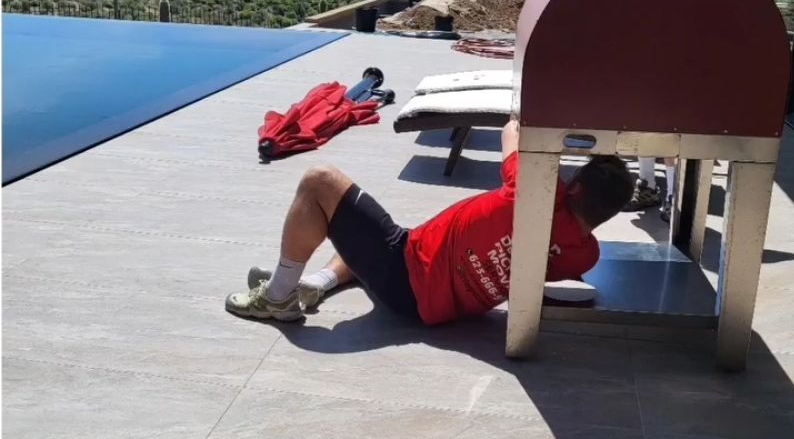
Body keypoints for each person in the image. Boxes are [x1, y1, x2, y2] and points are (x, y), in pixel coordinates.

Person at [225, 120, 634, 324]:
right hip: (440, 303)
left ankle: (277, 297)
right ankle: (315, 285)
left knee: (321, 184)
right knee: (367, 233)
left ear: (574, 190)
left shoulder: (535, 195)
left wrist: (533, 118)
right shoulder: (585, 254)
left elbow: (513, 131)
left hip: (408, 273)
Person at [624, 0, 760, 221]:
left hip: (689, 41)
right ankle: (647, 184)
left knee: (674, 119)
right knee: (642, 111)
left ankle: (673, 195)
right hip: (647, 36)